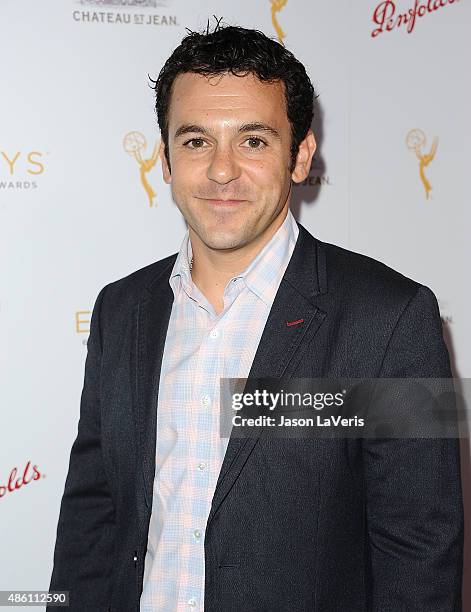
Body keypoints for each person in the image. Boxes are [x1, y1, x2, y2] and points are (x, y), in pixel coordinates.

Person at [48, 22, 463, 612]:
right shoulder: (122, 310)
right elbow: (91, 518)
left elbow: (422, 552)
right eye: (195, 141)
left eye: (253, 141)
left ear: (300, 157)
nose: (221, 170)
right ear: (164, 159)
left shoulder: (394, 318)